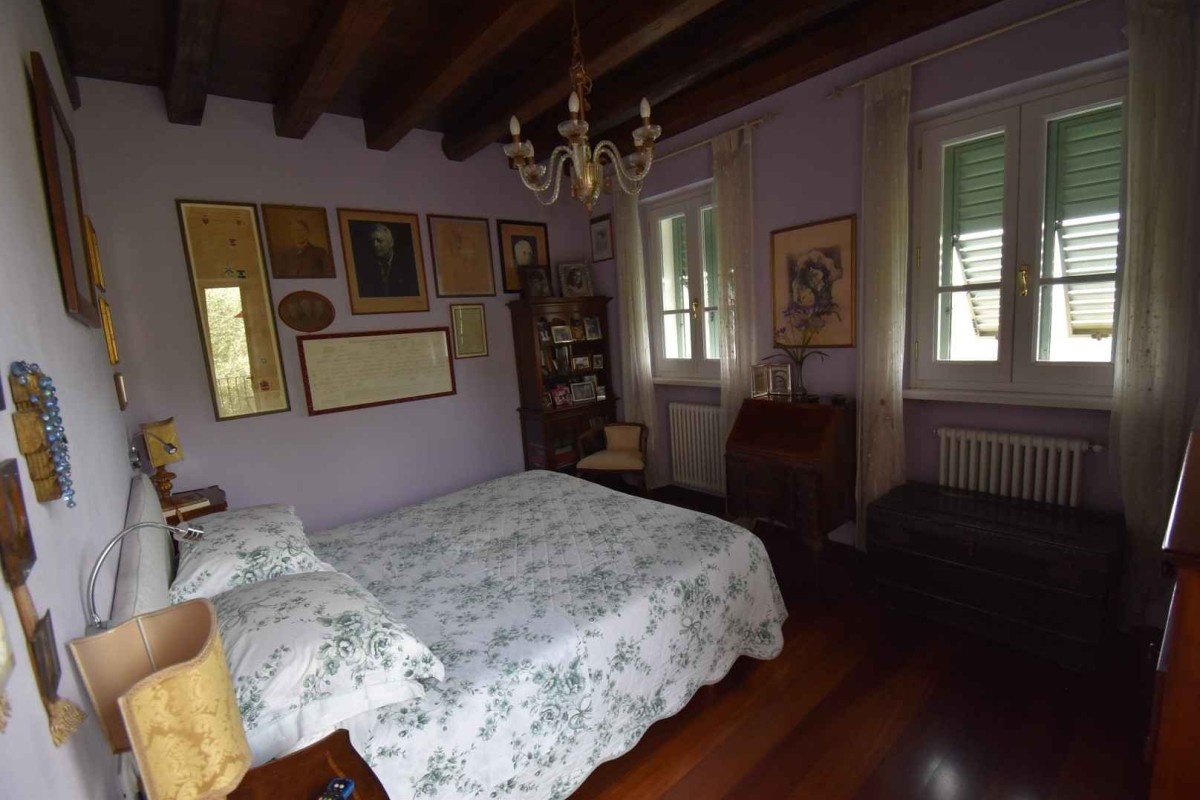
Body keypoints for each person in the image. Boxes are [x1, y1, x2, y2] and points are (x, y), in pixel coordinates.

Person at [352, 222, 420, 298]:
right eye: (371, 241)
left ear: (391, 242)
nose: (375, 245)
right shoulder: (363, 268)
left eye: (380, 241)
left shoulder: (409, 266)